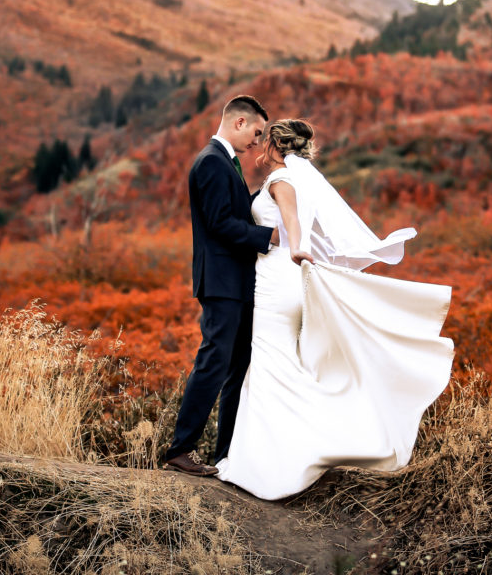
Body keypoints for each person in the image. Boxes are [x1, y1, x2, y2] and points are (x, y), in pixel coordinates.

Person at [213, 119, 454, 500]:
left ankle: (269, 463)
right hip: (284, 281)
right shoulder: (294, 178)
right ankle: (269, 453)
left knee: (268, 365)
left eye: (264, 140)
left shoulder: (280, 181)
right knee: (278, 364)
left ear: (276, 145)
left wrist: (295, 249)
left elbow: (291, 225)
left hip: (276, 281)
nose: (259, 146)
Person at [162, 95, 278, 476]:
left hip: (238, 281)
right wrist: (268, 236)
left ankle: (225, 454)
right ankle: (181, 450)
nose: (258, 142)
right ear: (239, 123)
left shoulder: (224, 161)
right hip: (222, 281)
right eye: (257, 133)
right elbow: (219, 224)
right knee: (214, 362)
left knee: (237, 366)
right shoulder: (211, 161)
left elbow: (232, 211)